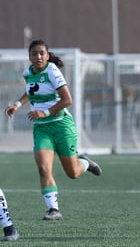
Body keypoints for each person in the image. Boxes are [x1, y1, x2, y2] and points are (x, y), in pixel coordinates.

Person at [4, 40, 102, 221]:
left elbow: (67, 100)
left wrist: (45, 112)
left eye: (42, 53)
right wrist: (17, 105)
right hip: (42, 129)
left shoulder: (52, 71)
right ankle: (53, 209)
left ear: (47, 56)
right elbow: (31, 91)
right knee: (43, 167)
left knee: (73, 173)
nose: (38, 57)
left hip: (62, 126)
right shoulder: (28, 73)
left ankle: (85, 162)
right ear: (29, 56)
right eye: (34, 53)